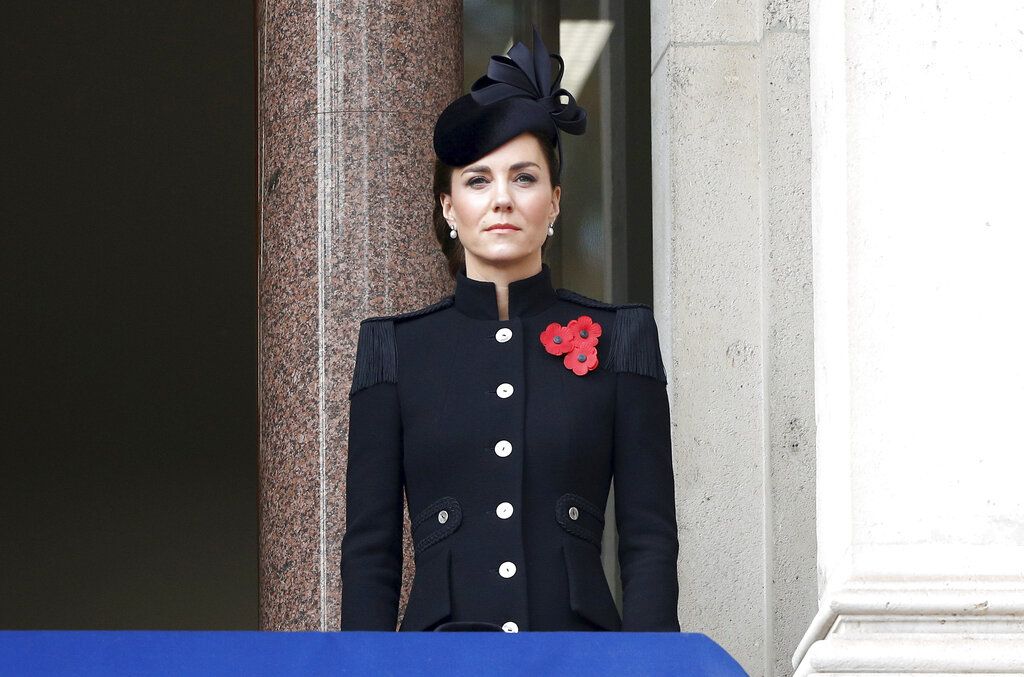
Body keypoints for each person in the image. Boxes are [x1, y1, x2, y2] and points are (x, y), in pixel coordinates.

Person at [339, 27, 678, 633]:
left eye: (524, 178)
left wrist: (647, 666)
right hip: (436, 662)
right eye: (477, 180)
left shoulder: (622, 338)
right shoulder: (395, 350)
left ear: (553, 202)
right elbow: (371, 554)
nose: (502, 200)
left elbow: (648, 539)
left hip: (582, 659)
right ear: (448, 208)